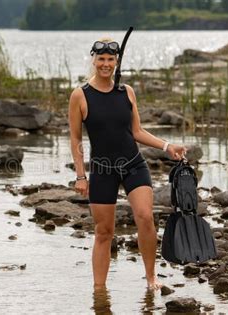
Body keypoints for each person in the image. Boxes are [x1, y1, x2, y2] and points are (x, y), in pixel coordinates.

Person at [68, 38, 186, 290]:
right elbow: (75, 138)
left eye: (111, 59)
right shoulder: (80, 95)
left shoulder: (127, 92)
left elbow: (137, 131)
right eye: (101, 59)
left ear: (116, 62)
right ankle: (99, 291)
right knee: (103, 232)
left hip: (134, 164)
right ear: (94, 60)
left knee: (145, 217)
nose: (106, 64)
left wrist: (167, 146)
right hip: (102, 170)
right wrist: (80, 176)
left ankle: (151, 278)